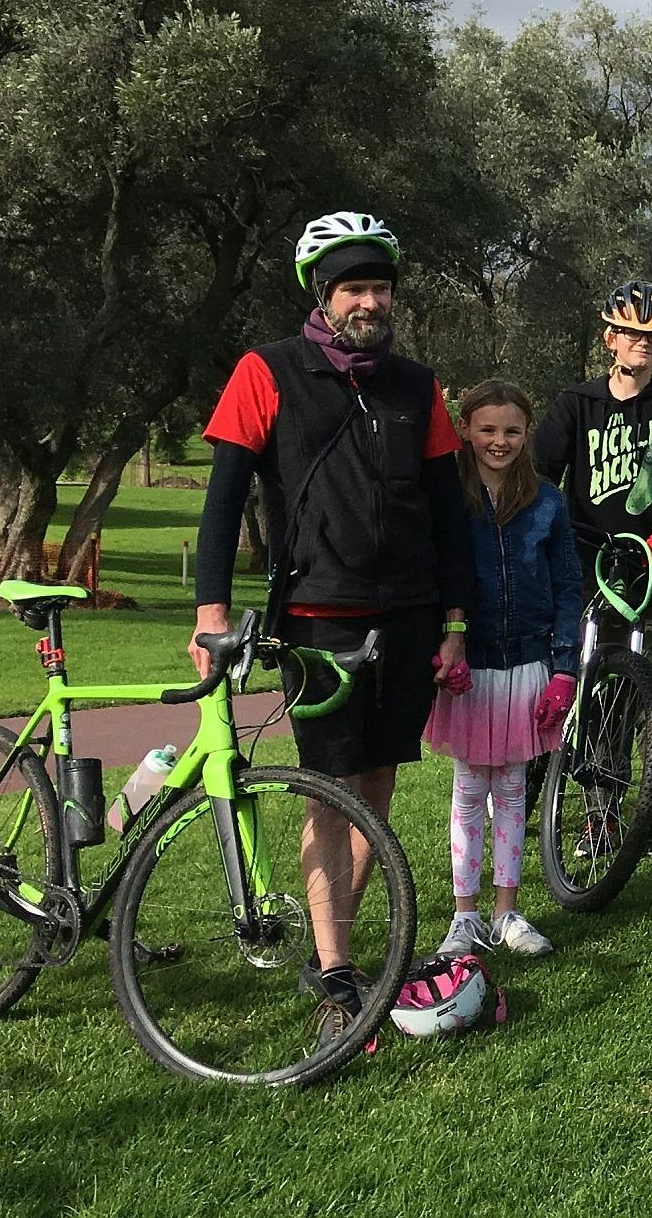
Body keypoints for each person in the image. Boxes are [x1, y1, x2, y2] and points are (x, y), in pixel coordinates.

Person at [188, 211, 473, 1030]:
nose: (371, 301)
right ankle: (341, 969)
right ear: (325, 292)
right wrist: (210, 607)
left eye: (381, 287)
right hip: (317, 616)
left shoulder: (417, 386)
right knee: (327, 791)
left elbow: (448, 515)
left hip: (412, 613)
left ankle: (329, 955)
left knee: (375, 789)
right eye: (355, 286)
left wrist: (455, 619)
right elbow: (223, 500)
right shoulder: (266, 370)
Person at [532, 280, 652, 855]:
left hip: (651, 573)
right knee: (592, 686)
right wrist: (550, 528)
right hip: (587, 568)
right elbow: (538, 476)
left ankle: (651, 814)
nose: (644, 344)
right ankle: (598, 813)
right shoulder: (575, 406)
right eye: (634, 333)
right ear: (611, 338)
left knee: (647, 688)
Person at [429, 380, 578, 959]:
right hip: (469, 662)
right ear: (465, 429)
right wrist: (443, 643)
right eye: (487, 429)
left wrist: (563, 669)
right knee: (469, 788)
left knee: (513, 787)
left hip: (529, 661)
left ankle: (507, 911)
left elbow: (568, 585)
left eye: (512, 430)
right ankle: (464, 917)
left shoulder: (546, 501)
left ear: (527, 433)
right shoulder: (450, 498)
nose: (500, 441)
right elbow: (435, 574)